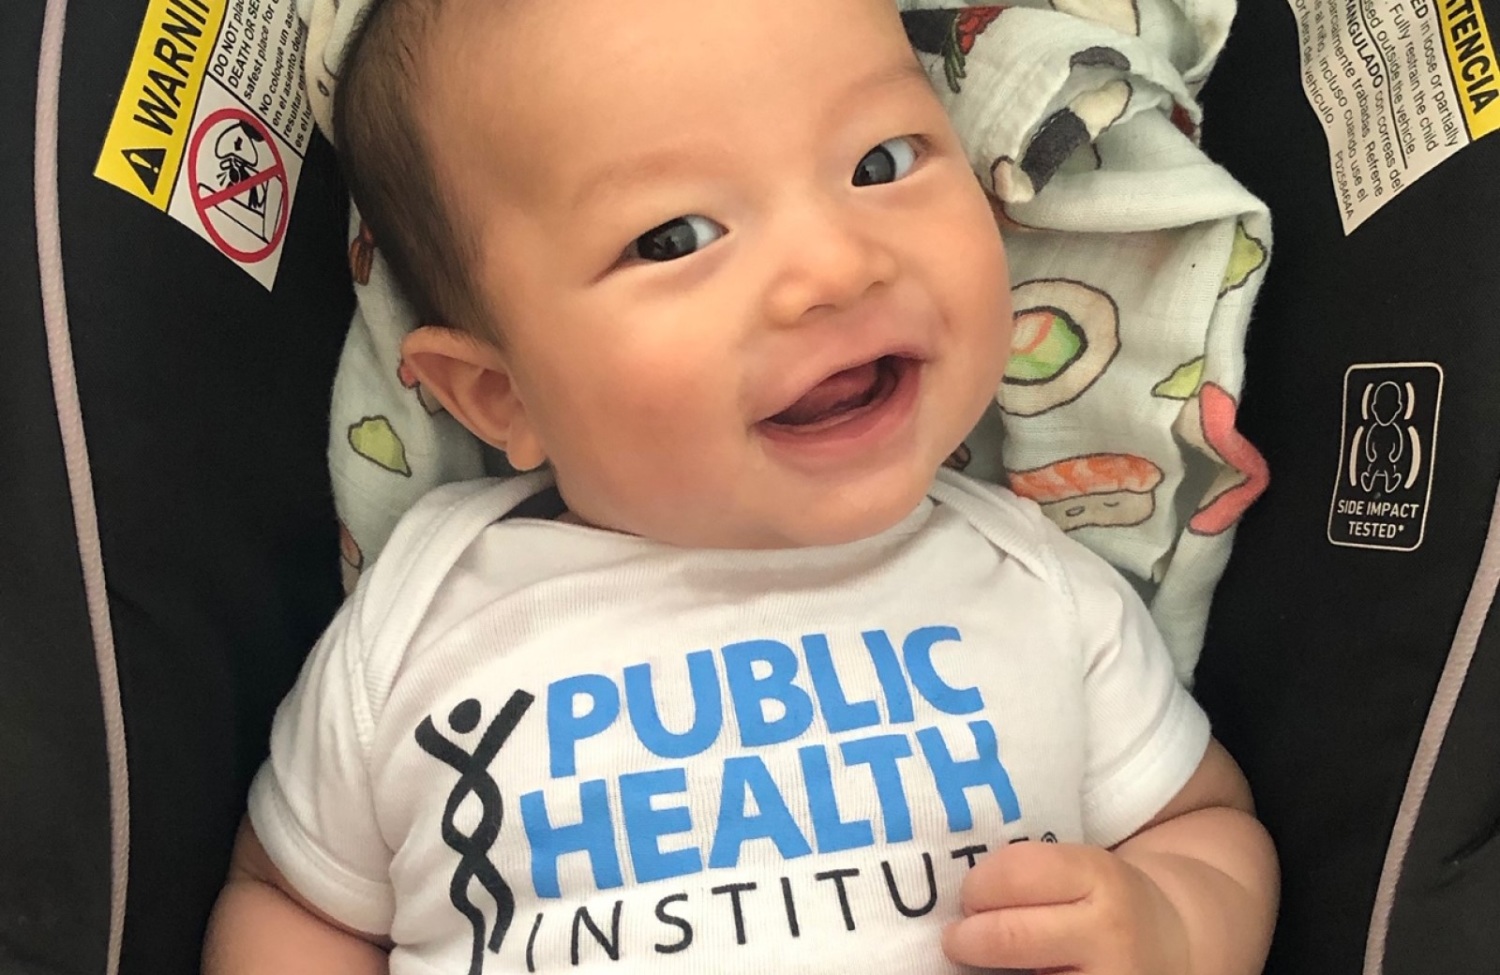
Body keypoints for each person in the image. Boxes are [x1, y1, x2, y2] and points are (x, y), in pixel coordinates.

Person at [201, 0, 1277, 972]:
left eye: (882, 161)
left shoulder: (1033, 582)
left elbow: (1203, 828)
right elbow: (298, 905)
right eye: (675, 238)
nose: (835, 267)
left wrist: (1171, 927)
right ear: (497, 397)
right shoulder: (425, 614)